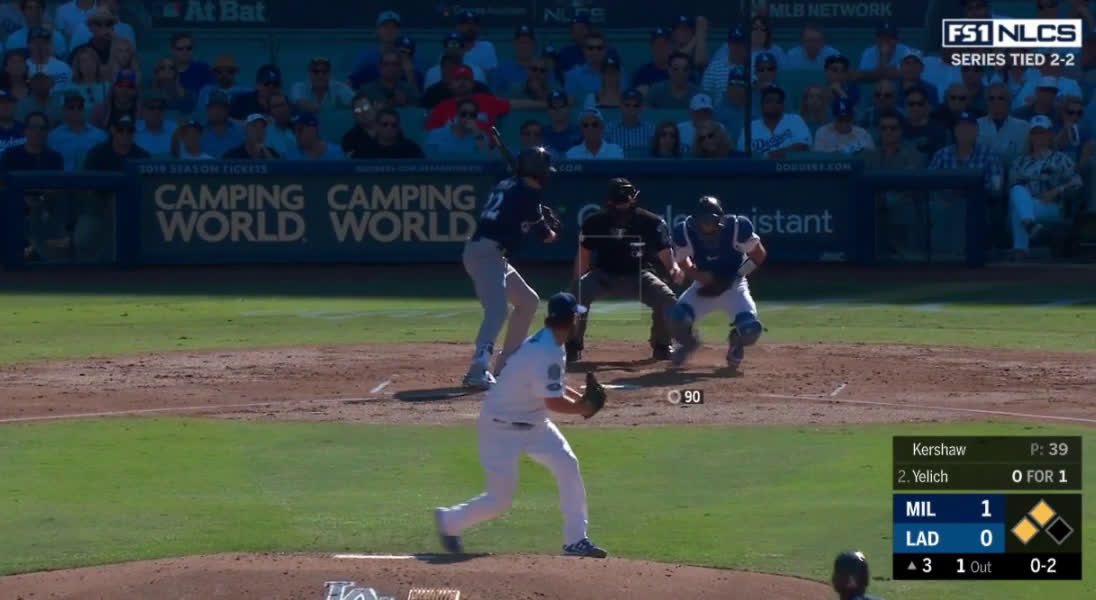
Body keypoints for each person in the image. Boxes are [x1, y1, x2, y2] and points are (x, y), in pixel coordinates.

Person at [434, 291, 608, 559]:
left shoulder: (552, 341)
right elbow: (552, 401)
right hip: (501, 428)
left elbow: (555, 385)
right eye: (577, 317)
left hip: (535, 424)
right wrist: (582, 408)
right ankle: (449, 521)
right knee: (499, 500)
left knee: (567, 465)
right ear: (570, 320)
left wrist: (579, 398)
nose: (579, 321)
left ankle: (576, 540)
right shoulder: (546, 350)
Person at [460, 147, 559, 389]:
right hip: (487, 254)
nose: (547, 175)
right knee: (497, 310)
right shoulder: (527, 193)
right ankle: (477, 370)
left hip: (491, 254)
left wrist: (536, 212)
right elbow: (547, 236)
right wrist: (547, 223)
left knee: (528, 301)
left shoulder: (508, 184)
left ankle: (506, 366)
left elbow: (519, 210)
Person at [566, 178, 681, 363]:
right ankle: (573, 344)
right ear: (609, 202)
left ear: (633, 200)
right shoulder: (595, 222)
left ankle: (662, 345)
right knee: (575, 299)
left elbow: (666, 253)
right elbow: (583, 256)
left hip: (639, 275)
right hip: (603, 275)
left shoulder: (651, 222)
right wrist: (576, 285)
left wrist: (673, 268)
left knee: (666, 299)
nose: (622, 207)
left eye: (625, 202)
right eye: (618, 203)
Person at [667, 196, 767, 372]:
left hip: (734, 287)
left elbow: (759, 254)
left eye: (710, 221)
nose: (706, 226)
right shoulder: (685, 231)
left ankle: (736, 341)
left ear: (719, 220)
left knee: (751, 330)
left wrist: (734, 276)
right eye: (702, 221)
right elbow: (682, 261)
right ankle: (689, 343)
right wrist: (698, 276)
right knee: (677, 317)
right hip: (704, 287)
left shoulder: (737, 227)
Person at [1008, 115, 1083, 256]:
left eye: (1042, 132)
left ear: (1049, 135)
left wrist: (1057, 190)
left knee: (1018, 211)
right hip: (1027, 203)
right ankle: (1030, 226)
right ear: (1030, 136)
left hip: (1051, 206)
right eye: (1035, 133)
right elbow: (1012, 188)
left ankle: (1020, 249)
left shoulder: (1061, 159)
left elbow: (1078, 182)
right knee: (1017, 190)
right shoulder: (1020, 161)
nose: (1038, 136)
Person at [929, 111, 1004, 194]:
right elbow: (929, 183)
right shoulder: (941, 154)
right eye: (961, 128)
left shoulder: (990, 154)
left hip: (978, 199)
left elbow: (997, 187)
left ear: (977, 131)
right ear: (955, 131)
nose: (965, 131)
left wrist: (972, 189)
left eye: (969, 128)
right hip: (946, 200)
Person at [738, 86, 812, 159]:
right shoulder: (751, 127)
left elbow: (803, 146)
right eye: (768, 101)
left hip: (789, 165)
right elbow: (742, 155)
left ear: (783, 105)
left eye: (778, 102)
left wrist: (768, 156)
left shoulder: (795, 120)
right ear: (761, 105)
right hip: (758, 167)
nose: (773, 104)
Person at [48, 91, 105, 170]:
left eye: (80, 107)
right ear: (63, 110)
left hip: (92, 176)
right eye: (71, 107)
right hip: (64, 177)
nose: (76, 110)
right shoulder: (54, 137)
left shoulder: (100, 135)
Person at [976, 82, 1028, 165]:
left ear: (1009, 102)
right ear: (986, 102)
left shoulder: (1023, 127)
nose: (995, 101)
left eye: (1000, 98)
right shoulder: (976, 125)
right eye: (991, 98)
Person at [82, 114, 150, 170]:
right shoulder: (96, 155)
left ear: (134, 132)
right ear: (112, 130)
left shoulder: (143, 158)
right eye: (120, 130)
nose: (125, 134)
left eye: (130, 130)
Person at [349, 108, 423, 159]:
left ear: (398, 128)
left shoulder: (411, 149)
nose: (389, 128)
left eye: (394, 125)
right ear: (377, 126)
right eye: (385, 124)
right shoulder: (364, 150)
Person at [603, 89, 654, 156]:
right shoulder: (609, 129)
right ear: (621, 106)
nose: (631, 108)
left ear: (641, 108)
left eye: (636, 106)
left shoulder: (650, 130)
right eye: (627, 105)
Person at [199, 90, 243, 158]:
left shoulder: (242, 130)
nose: (217, 111)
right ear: (207, 109)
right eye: (213, 107)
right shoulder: (198, 132)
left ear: (228, 109)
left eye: (221, 107)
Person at [541, 90, 580, 158]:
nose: (557, 109)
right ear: (547, 110)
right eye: (553, 107)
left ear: (568, 109)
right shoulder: (540, 133)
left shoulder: (580, 132)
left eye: (561, 106)